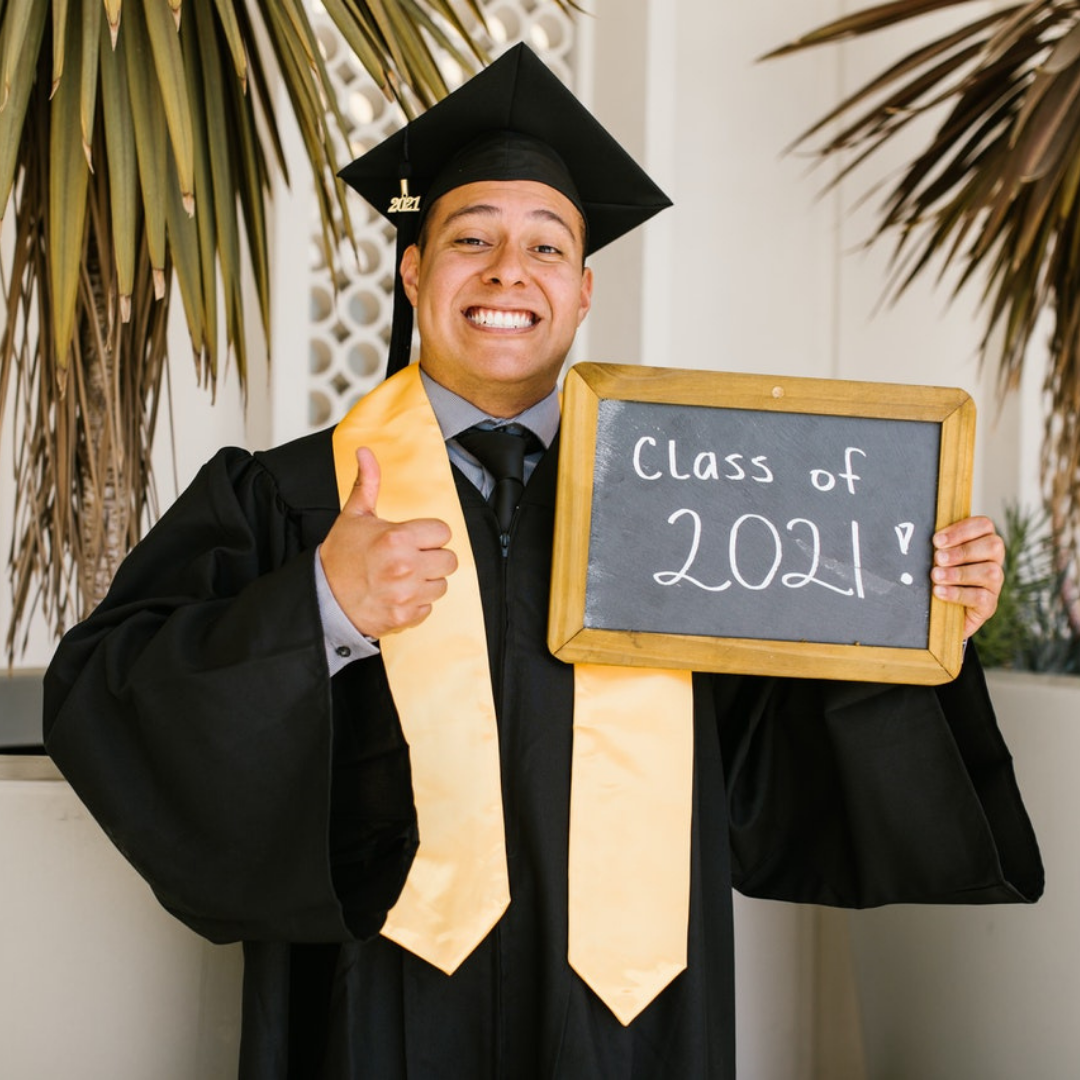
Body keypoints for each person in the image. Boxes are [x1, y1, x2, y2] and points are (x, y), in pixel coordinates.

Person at [43, 44, 1042, 1079]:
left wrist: (908, 614)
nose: (507, 272)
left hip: (625, 1019)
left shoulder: (694, 504)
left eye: (546, 247)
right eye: (469, 238)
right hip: (373, 1006)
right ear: (414, 271)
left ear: (582, 291)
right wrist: (319, 608)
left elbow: (762, 757)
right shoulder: (292, 499)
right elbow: (108, 694)